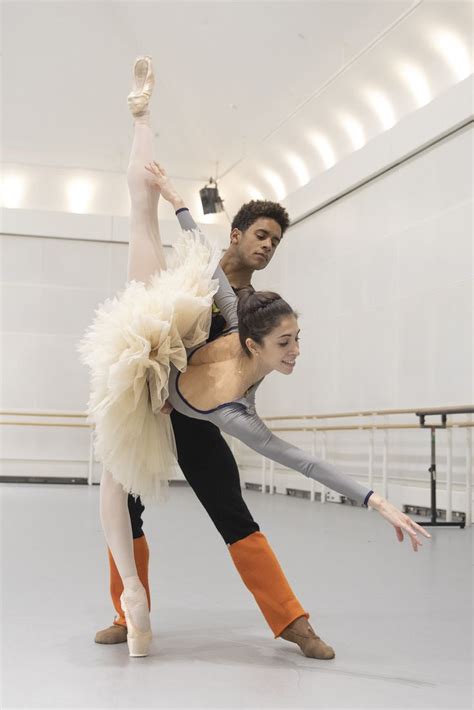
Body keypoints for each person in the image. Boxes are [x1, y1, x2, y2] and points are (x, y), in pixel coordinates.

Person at [82, 56, 431, 659]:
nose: (268, 247)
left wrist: (371, 497)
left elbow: (247, 377)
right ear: (238, 234)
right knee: (126, 501)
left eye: (276, 240)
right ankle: (125, 611)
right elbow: (187, 251)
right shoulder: (208, 277)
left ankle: (292, 620)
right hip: (156, 395)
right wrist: (174, 198)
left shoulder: (257, 308)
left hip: (203, 413)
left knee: (231, 509)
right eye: (261, 235)